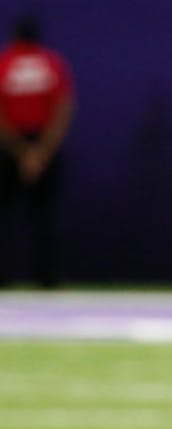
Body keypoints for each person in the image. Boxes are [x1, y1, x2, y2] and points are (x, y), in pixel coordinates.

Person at [0, 12, 73, 288]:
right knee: (46, 217)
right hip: (43, 146)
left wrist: (20, 152)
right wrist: (40, 153)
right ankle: (48, 278)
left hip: (9, 147)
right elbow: (63, 108)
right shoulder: (51, 63)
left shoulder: (4, 63)